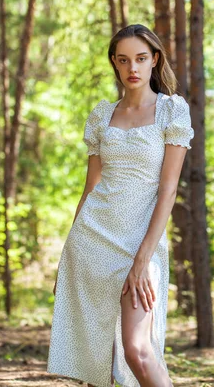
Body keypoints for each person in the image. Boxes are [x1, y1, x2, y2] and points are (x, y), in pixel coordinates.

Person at [47, 23, 194, 387]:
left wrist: (143, 258)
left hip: (141, 242)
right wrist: (68, 253)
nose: (133, 68)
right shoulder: (102, 115)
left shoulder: (171, 111)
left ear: (154, 60)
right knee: (102, 354)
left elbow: (168, 190)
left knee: (137, 349)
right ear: (114, 63)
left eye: (141, 59)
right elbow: (90, 186)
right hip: (93, 239)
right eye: (124, 59)